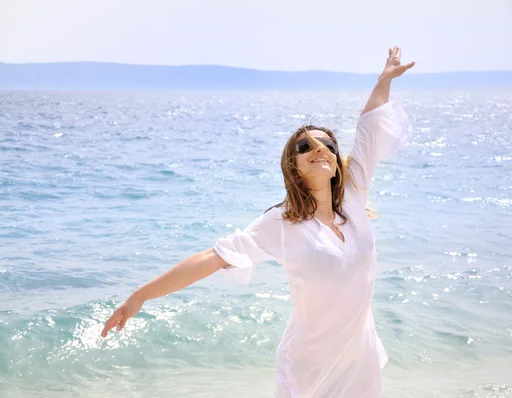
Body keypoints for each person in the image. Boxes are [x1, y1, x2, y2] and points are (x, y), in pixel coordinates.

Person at [101, 47, 415, 397]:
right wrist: (140, 297)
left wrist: (383, 80)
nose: (319, 149)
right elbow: (213, 257)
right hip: (310, 368)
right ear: (292, 166)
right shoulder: (283, 223)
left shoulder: (354, 197)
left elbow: (369, 125)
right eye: (304, 146)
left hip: (359, 363)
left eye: (327, 143)